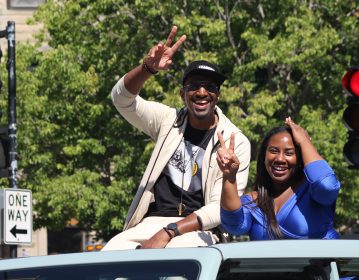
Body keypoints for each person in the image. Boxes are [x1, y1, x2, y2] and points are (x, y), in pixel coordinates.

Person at [102, 26, 251, 250]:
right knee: (109, 253)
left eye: (210, 87)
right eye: (194, 86)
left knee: (175, 255)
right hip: (151, 222)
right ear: (183, 94)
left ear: (217, 96)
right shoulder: (167, 120)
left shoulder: (234, 141)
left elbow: (217, 209)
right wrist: (147, 69)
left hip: (201, 229)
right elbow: (121, 100)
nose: (202, 92)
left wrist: (170, 231)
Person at [218, 117, 340, 240]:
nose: (280, 159)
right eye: (273, 151)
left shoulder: (313, 193)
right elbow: (234, 225)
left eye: (289, 153)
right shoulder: (254, 201)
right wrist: (229, 175)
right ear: (264, 157)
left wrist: (304, 142)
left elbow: (327, 186)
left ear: (300, 158)